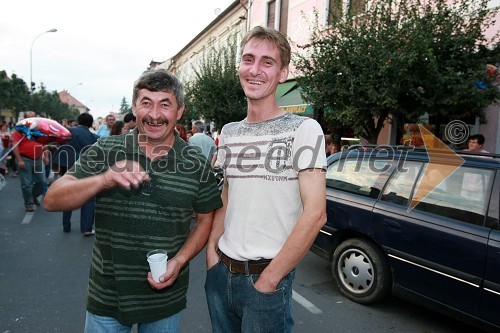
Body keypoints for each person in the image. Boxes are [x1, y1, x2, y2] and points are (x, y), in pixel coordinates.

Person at [44, 69, 223, 332]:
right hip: (107, 298)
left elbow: (206, 219)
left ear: (180, 111)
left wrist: (180, 260)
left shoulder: (196, 163)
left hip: (166, 301)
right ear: (135, 107)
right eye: (146, 103)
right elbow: (51, 200)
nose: (154, 114)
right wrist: (103, 179)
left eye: (165, 104)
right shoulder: (105, 150)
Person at [204, 26, 327, 332]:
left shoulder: (305, 129)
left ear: (283, 73)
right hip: (221, 274)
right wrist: (211, 253)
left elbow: (316, 214)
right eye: (248, 59)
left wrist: (270, 279)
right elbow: (227, 195)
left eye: (267, 62)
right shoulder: (229, 133)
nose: (255, 69)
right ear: (239, 68)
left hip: (266, 281)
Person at [52, 112, 98, 235]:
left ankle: (66, 226)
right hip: (85, 169)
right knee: (88, 197)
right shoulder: (93, 137)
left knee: (68, 195)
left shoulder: (68, 131)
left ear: (78, 121)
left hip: (68, 167)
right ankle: (86, 228)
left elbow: (57, 145)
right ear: (90, 124)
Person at [12, 111, 48, 212]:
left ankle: (33, 196)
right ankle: (29, 204)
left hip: (38, 158)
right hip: (25, 159)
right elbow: (14, 145)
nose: (31, 120)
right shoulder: (19, 131)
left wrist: (46, 155)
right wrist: (19, 160)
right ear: (25, 119)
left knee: (41, 181)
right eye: (29, 118)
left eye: (33, 117)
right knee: (26, 184)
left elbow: (44, 143)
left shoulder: (39, 130)